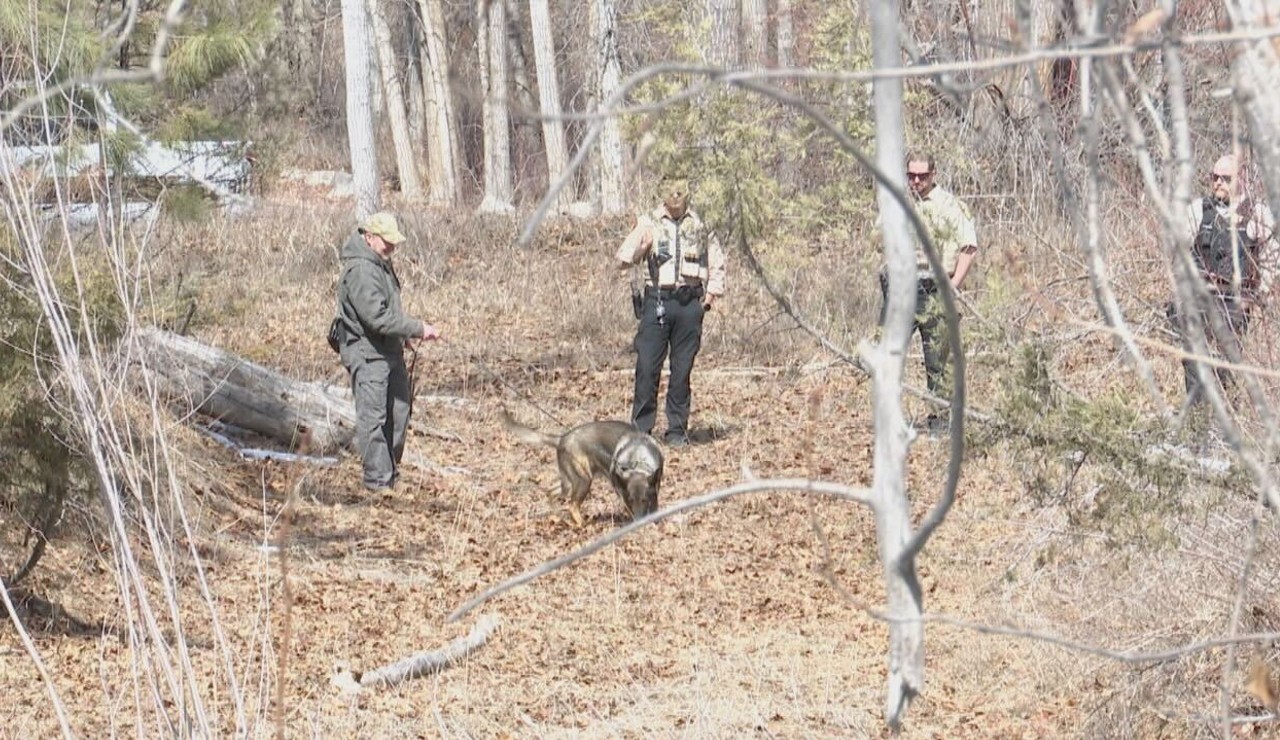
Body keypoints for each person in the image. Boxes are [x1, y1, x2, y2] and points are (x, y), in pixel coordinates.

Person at [616, 178, 727, 448]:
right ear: (662, 195)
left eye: (680, 191)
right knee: (647, 368)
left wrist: (707, 301)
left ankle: (677, 431)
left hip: (689, 303)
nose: (675, 197)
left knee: (681, 371)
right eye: (670, 192)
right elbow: (621, 260)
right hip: (658, 301)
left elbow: (717, 264)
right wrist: (643, 246)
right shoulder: (648, 222)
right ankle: (641, 432)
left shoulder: (701, 225)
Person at [334, 212, 440, 491]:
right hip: (367, 354)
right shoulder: (360, 270)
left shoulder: (380, 263)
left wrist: (403, 334)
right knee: (374, 419)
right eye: (386, 241)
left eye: (394, 241)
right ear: (369, 237)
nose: (392, 247)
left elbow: (388, 311)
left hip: (389, 350)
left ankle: (390, 474)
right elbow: (376, 317)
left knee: (399, 413)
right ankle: (377, 484)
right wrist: (417, 328)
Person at [879, 152, 978, 437]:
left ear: (934, 174)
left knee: (937, 362)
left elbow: (969, 247)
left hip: (935, 289)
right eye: (911, 175)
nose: (917, 181)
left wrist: (954, 284)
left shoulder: (950, 205)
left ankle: (940, 427)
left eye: (922, 175)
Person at [1167, 154, 1277, 408]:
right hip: (1199, 297)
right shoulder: (1198, 210)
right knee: (1193, 360)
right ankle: (1196, 419)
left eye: (1225, 178)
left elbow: (1273, 258)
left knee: (1225, 364)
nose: (1218, 183)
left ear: (1241, 180)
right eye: (1214, 177)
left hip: (1235, 302)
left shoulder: (1257, 214)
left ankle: (1225, 423)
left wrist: (1258, 296)